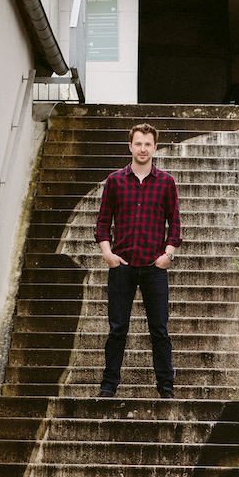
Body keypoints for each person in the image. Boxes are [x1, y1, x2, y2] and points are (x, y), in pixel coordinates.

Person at [95, 122, 181, 398]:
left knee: (160, 331)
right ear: (130, 146)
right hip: (122, 266)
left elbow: (175, 225)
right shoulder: (115, 181)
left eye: (148, 144)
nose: (143, 148)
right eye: (138, 143)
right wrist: (108, 254)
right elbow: (102, 223)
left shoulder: (166, 183)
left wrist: (167, 255)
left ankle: (166, 388)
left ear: (154, 148)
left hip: (154, 267)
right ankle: (109, 386)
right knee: (117, 328)